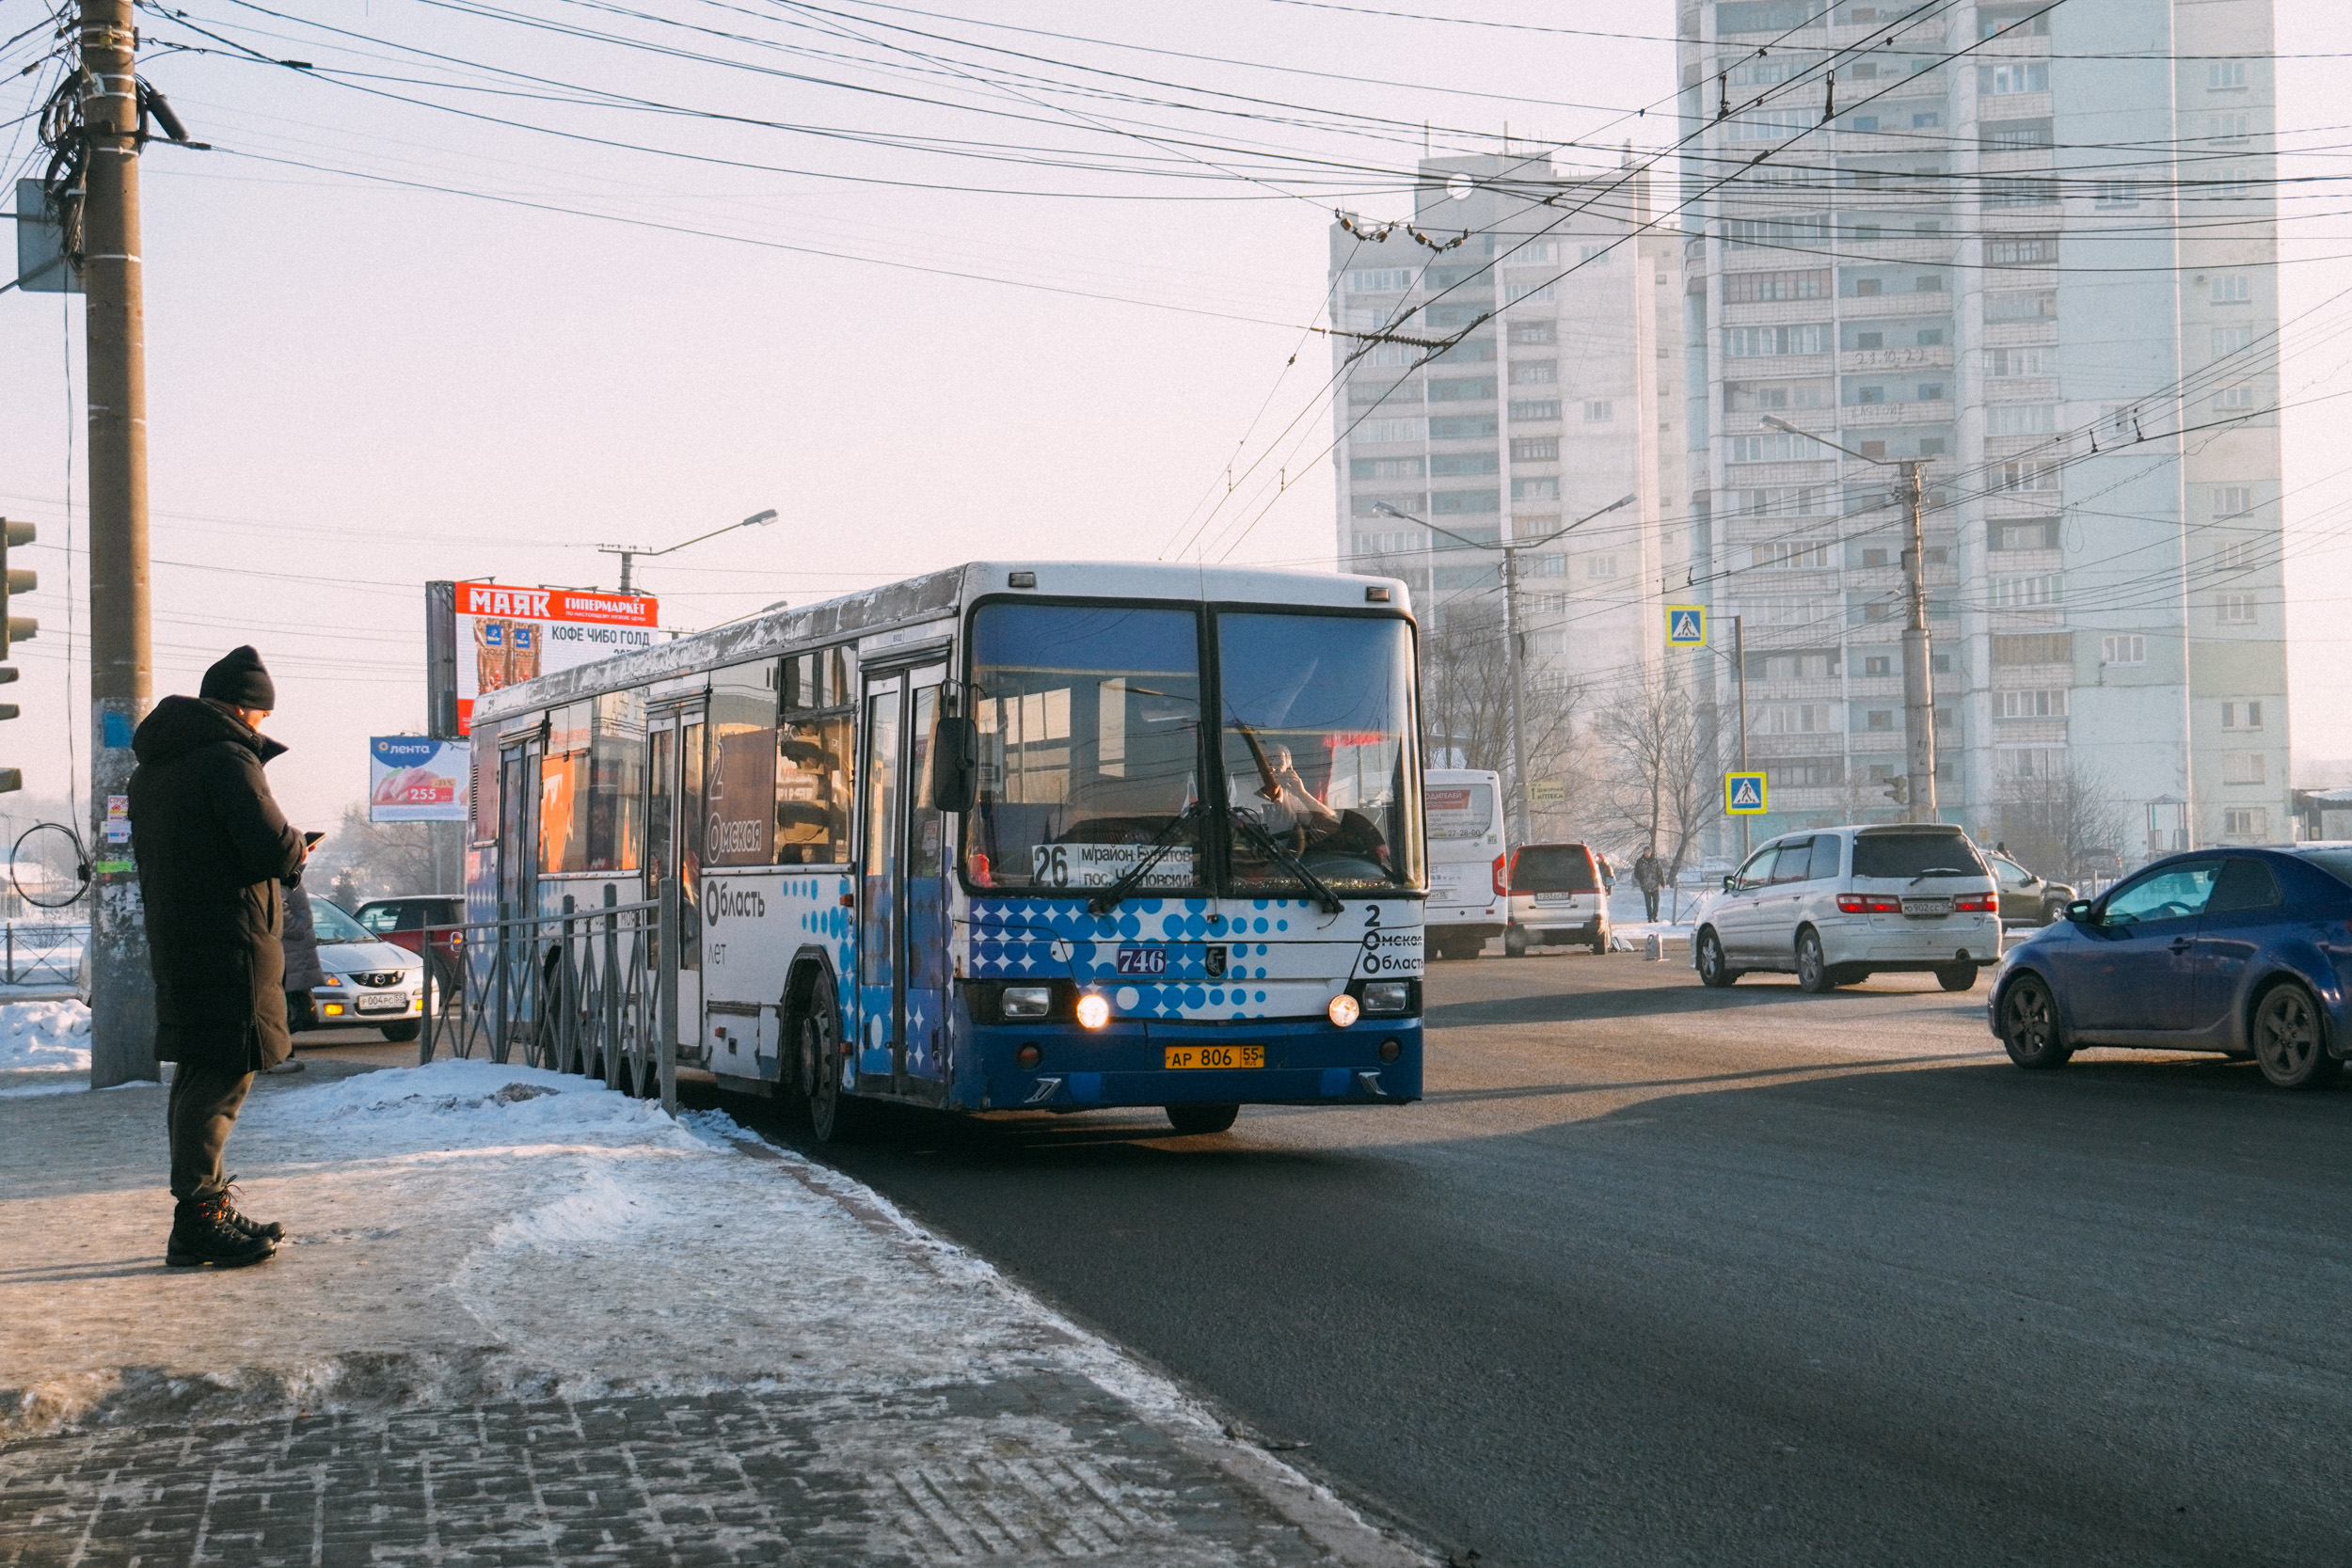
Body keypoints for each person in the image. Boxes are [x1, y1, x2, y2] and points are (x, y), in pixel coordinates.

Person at [130, 645, 308, 1268]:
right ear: (245, 709)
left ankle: (205, 1208)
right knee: (224, 1072)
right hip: (230, 943)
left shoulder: (155, 767)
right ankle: (199, 1218)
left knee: (202, 1070)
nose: (260, 729)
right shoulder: (228, 759)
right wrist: (298, 847)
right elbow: (272, 848)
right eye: (261, 717)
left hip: (186, 939)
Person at [272, 879, 322, 1074]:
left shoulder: (291, 878)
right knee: (288, 1011)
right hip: (291, 955)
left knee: (291, 1011)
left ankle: (282, 1052)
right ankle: (278, 1053)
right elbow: (279, 908)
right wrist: (299, 926)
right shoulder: (284, 878)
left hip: (295, 956)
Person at [1633, 846, 1666, 923]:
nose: (1647, 853)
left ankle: (1655, 916)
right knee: (1648, 903)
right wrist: (1641, 879)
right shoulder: (1640, 862)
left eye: (1648, 851)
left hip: (1655, 885)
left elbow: (1660, 872)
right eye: (1646, 851)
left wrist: (1662, 882)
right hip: (1645, 886)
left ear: (1651, 852)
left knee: (1656, 902)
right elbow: (1636, 873)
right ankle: (1649, 917)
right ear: (1644, 852)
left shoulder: (1656, 861)